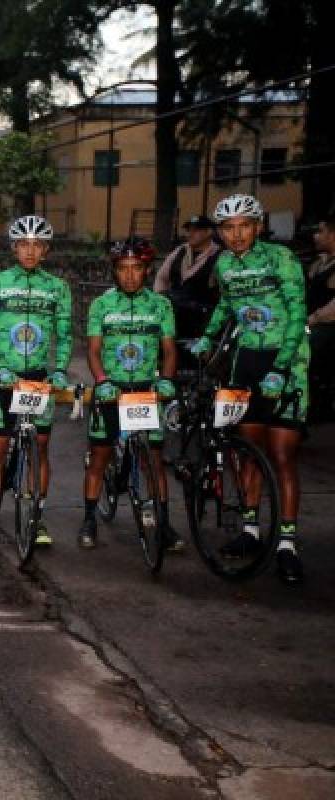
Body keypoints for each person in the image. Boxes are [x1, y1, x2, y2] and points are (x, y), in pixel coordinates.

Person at [191, 194, 309, 584]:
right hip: (246, 360)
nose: (237, 234)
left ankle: (287, 543)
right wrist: (207, 338)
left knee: (282, 455)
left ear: (258, 226)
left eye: (244, 225)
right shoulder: (223, 263)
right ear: (220, 233)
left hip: (285, 360)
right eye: (228, 227)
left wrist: (281, 367)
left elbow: (296, 314)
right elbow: (226, 306)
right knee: (248, 452)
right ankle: (251, 529)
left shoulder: (281, 259)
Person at [0, 215, 72, 555]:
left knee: (40, 447)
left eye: (37, 245)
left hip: (38, 380)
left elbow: (65, 334)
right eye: (24, 245)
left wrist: (59, 370)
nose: (30, 252)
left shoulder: (57, 287)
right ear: (14, 248)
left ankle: (37, 518)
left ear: (45, 250)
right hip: (5, 377)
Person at [79, 238, 182, 551]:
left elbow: (169, 350)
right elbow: (93, 351)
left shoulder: (161, 305)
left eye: (136, 268)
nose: (130, 275)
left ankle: (163, 524)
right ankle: (88, 518)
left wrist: (166, 380)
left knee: (153, 458)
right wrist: (101, 380)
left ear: (147, 270)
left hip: (146, 391)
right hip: (112, 389)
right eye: (123, 268)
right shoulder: (102, 305)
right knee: (100, 456)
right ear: (114, 271)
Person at [154, 215, 221, 362]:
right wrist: (159, 298)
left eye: (195, 230)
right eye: (189, 230)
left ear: (209, 232)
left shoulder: (219, 256)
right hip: (175, 307)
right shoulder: (180, 252)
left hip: (201, 312)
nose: (190, 234)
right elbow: (161, 277)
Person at [305, 211, 335, 423]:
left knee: (303, 346)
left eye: (320, 231)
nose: (316, 235)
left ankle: (317, 406)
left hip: (327, 325)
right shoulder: (319, 263)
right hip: (312, 322)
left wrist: (311, 319)